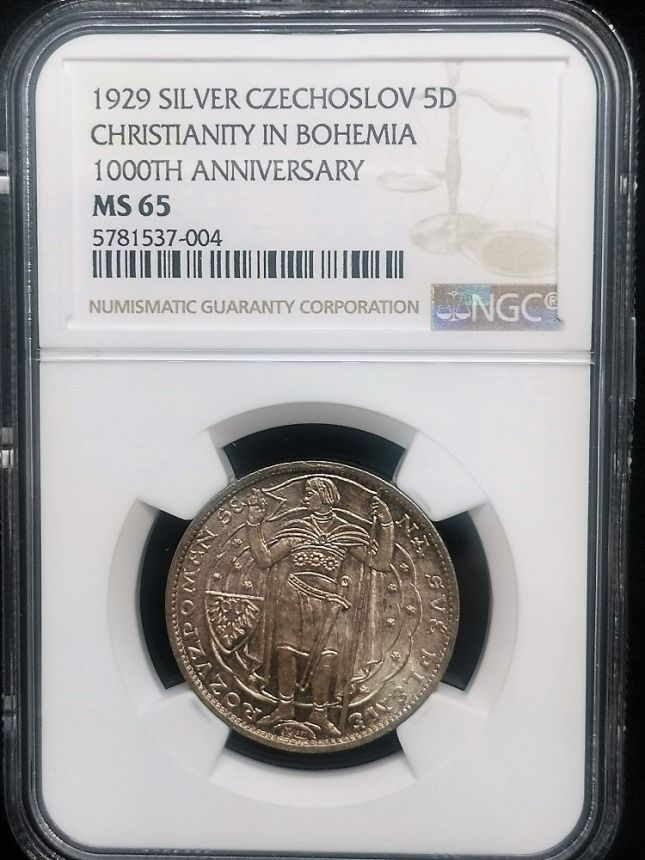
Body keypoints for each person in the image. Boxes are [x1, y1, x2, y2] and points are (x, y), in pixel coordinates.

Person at [245, 476, 394, 737]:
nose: (305, 498)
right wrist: (253, 524)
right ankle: (285, 707)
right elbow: (264, 559)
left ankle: (320, 713)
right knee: (286, 652)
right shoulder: (296, 529)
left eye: (310, 493)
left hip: (329, 603)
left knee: (327, 658)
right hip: (293, 597)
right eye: (305, 493)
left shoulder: (345, 533)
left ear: (325, 496)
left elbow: (380, 563)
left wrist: (386, 524)